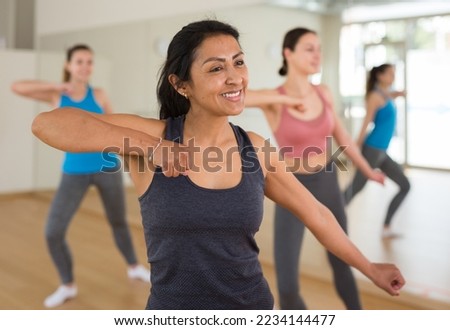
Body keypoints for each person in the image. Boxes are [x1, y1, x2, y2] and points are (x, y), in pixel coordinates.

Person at [31, 20, 405, 310]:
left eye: (238, 63)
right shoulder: (153, 135)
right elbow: (46, 124)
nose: (234, 77)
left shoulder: (255, 149)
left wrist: (370, 268)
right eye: (215, 68)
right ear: (181, 85)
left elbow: (318, 214)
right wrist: (151, 147)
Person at [245, 27, 386, 310]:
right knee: (286, 283)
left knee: (342, 262)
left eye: (319, 49)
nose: (317, 55)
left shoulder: (323, 93)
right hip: (289, 186)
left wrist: (367, 170)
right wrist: (285, 100)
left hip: (327, 180)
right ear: (289, 53)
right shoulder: (274, 98)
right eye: (309, 48)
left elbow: (343, 137)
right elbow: (237, 98)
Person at [11, 44, 150, 308]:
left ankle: (134, 266)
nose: (85, 67)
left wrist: (134, 166)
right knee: (53, 231)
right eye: (79, 62)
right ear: (68, 65)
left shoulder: (99, 94)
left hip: (107, 167)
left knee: (118, 221)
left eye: (89, 62)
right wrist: (55, 85)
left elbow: (117, 129)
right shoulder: (55, 95)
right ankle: (67, 285)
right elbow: (18, 87)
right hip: (73, 171)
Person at [344, 63, 410, 239]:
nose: (393, 77)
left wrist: (400, 93)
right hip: (372, 149)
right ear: (380, 76)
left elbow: (390, 94)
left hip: (381, 151)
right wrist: (355, 146)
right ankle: (326, 220)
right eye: (390, 73)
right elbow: (367, 122)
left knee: (405, 185)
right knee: (355, 188)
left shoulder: (385, 94)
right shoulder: (375, 96)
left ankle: (386, 226)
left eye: (394, 73)